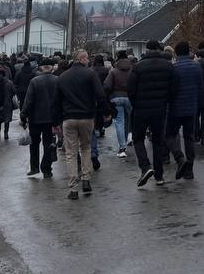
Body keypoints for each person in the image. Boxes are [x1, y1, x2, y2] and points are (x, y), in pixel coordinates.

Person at [57, 50, 112, 200]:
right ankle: (86, 179)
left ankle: (73, 187)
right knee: (86, 148)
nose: (89, 61)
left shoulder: (63, 77)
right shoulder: (90, 74)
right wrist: (106, 111)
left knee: (71, 153)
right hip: (87, 117)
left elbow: (57, 100)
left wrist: (56, 121)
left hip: (69, 118)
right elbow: (100, 95)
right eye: (87, 58)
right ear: (82, 59)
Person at [129, 39, 175, 187]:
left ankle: (145, 167)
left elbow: (131, 90)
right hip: (160, 109)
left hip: (141, 109)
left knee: (138, 139)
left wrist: (136, 104)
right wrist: (166, 102)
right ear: (159, 49)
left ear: (147, 50)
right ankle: (159, 176)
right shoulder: (168, 66)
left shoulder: (138, 67)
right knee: (158, 141)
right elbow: (174, 88)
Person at [167, 41, 203, 180]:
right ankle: (190, 169)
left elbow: (171, 89)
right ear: (188, 51)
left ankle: (179, 158)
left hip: (175, 108)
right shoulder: (196, 67)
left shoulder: (174, 68)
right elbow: (199, 86)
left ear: (176, 53)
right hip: (191, 107)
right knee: (189, 137)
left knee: (170, 135)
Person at [21, 58, 61, 177]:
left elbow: (28, 101)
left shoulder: (34, 81)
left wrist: (23, 115)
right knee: (48, 143)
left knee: (34, 143)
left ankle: (34, 167)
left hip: (35, 118)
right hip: (51, 119)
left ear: (41, 68)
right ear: (52, 68)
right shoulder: (57, 80)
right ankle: (46, 169)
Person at [104, 50, 134, 157]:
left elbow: (107, 86)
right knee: (128, 120)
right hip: (129, 98)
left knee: (119, 121)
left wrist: (108, 96)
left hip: (116, 98)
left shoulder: (113, 71)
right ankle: (127, 139)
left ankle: (122, 148)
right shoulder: (132, 70)